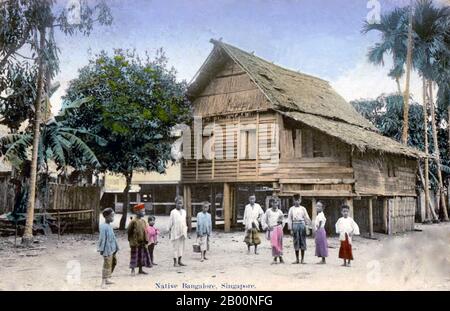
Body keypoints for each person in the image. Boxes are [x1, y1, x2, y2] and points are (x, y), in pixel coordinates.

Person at [128, 203, 151, 275]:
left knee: (142, 256)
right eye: (142, 211)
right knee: (134, 256)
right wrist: (131, 240)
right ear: (137, 212)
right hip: (135, 242)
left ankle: (140, 269)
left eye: (144, 211)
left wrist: (146, 240)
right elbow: (129, 231)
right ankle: (132, 270)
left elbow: (145, 231)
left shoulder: (143, 221)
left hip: (142, 242)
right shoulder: (133, 221)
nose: (144, 212)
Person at [98, 208, 119, 288]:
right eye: (112, 216)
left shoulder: (109, 226)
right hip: (106, 249)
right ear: (106, 217)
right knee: (107, 264)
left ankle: (107, 278)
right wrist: (101, 249)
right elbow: (102, 238)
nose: (113, 218)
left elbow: (113, 237)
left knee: (113, 262)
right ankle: (103, 282)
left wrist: (116, 247)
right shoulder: (103, 227)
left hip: (112, 248)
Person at [287, 194, 311, 264]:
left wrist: (308, 227)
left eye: (298, 200)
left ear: (300, 200)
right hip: (295, 224)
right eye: (295, 200)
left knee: (303, 241)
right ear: (293, 201)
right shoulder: (291, 209)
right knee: (296, 241)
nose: (297, 202)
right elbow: (289, 219)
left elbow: (307, 218)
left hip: (302, 224)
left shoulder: (303, 208)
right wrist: (290, 229)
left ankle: (302, 259)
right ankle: (297, 259)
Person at [262, 198, 285, 264]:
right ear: (271, 203)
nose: (275, 204)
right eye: (273, 203)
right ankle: (275, 257)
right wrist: (267, 227)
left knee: (279, 243)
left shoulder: (280, 212)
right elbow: (263, 220)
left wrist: (281, 226)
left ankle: (280, 257)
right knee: (274, 244)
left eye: (276, 202)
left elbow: (282, 220)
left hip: (279, 228)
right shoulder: (268, 211)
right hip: (272, 229)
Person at [168, 195, 188, 267]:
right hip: (175, 231)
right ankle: (175, 262)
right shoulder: (173, 212)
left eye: (181, 203)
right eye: (178, 203)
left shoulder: (184, 212)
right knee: (175, 247)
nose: (180, 205)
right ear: (175, 203)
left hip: (182, 231)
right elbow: (170, 222)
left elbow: (184, 221)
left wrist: (185, 230)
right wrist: (169, 231)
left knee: (181, 247)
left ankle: (180, 260)